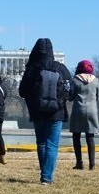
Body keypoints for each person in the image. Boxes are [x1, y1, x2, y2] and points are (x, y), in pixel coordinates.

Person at [19, 38, 71, 185]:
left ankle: (45, 174)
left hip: (38, 111)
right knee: (52, 144)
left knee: (41, 143)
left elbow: (22, 91)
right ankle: (47, 177)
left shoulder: (32, 68)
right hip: (57, 112)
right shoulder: (60, 68)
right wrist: (61, 101)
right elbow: (70, 89)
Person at [69, 60, 99, 170]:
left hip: (78, 110)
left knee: (76, 137)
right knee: (90, 138)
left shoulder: (75, 80)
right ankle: (92, 164)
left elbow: (70, 97)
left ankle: (79, 163)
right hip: (92, 111)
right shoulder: (96, 81)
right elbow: (98, 96)